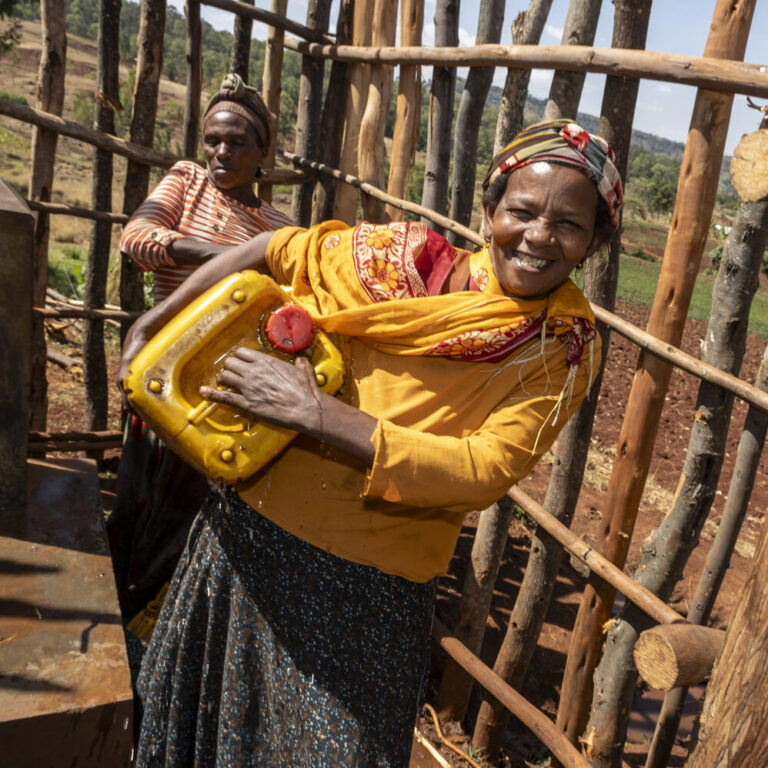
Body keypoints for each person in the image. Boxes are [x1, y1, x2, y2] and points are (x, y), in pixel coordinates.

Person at [119, 119, 622, 768]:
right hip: (243, 545)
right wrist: (153, 322)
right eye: (521, 210)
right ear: (490, 206)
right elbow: (276, 246)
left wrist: (313, 413)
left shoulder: (558, 344)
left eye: (570, 226)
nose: (539, 237)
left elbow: (483, 469)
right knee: (203, 741)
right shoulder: (400, 260)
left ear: (595, 242)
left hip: (366, 598)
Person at [107, 73, 293, 630]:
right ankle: (120, 607)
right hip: (163, 370)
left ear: (263, 152)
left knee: (195, 511)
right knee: (138, 496)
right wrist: (229, 257)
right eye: (212, 139)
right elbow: (137, 238)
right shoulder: (187, 181)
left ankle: (158, 628)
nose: (219, 152)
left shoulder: (279, 226)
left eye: (236, 143)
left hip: (227, 386)